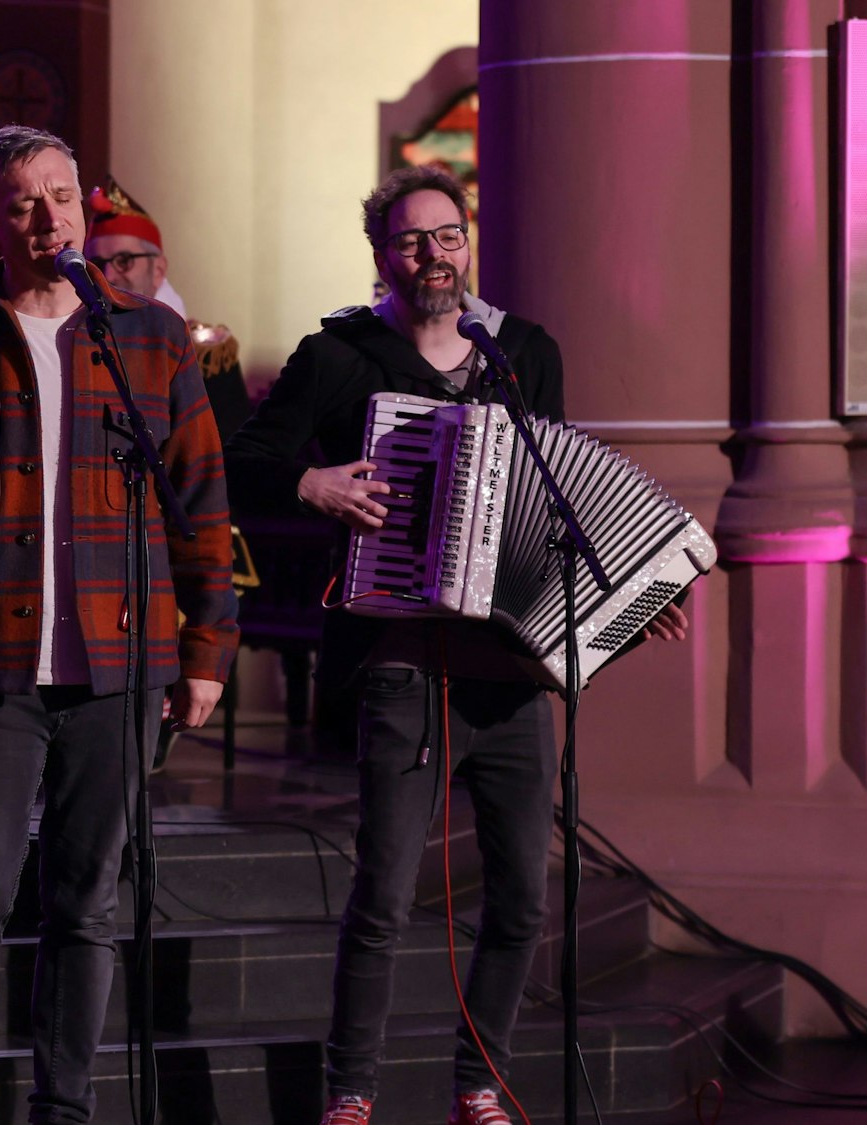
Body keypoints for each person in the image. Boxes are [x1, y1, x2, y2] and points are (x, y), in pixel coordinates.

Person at [223, 164, 686, 1125]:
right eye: (410, 240)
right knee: (385, 895)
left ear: (468, 240)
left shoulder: (522, 351)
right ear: (381, 254)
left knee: (522, 898)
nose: (432, 254)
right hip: (400, 658)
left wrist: (625, 600)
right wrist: (315, 486)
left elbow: (553, 491)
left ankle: (479, 1083)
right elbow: (248, 462)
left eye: (447, 235)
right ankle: (350, 1093)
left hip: (510, 667)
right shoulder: (342, 354)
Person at [0, 125, 238, 1124]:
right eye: (24, 201)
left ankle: (61, 1107)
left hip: (118, 671)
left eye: (63, 195)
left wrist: (205, 648)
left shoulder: (148, 340)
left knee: (87, 906)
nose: (50, 216)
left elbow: (197, 500)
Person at [84, 178, 251, 437]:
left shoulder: (206, 356)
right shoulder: (82, 342)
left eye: (124, 260)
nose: (109, 276)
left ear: (158, 270)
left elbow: (231, 457)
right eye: (96, 262)